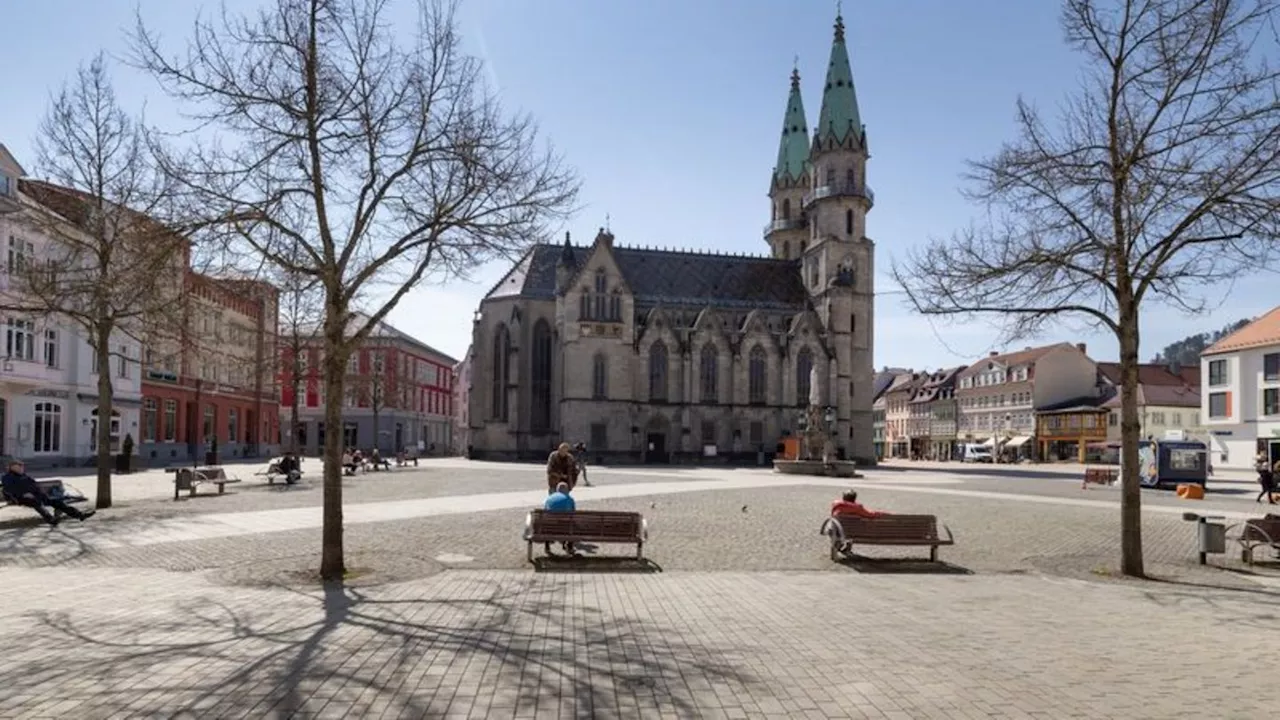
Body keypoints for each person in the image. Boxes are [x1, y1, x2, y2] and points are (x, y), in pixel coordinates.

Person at [1, 460, 94, 526]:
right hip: (19, 498)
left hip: (35, 495)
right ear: (13, 467)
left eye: (22, 467)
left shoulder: (24, 476)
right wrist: (23, 494)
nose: (22, 469)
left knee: (56, 502)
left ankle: (79, 515)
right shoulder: (8, 477)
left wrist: (40, 492)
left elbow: (34, 485)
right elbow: (9, 489)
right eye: (19, 467)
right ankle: (51, 520)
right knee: (36, 502)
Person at [829, 490, 886, 555]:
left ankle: (838, 545)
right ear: (854, 499)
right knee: (852, 529)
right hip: (853, 532)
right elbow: (870, 515)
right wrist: (882, 514)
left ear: (843, 498)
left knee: (842, 529)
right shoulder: (858, 508)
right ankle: (847, 549)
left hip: (835, 530)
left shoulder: (836, 505)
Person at [543, 480, 577, 555]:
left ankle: (547, 547)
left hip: (550, 527)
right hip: (564, 527)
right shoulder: (570, 499)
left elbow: (545, 512)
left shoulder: (549, 499)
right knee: (573, 524)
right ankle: (569, 547)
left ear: (557, 490)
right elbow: (573, 514)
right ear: (567, 490)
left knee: (547, 522)